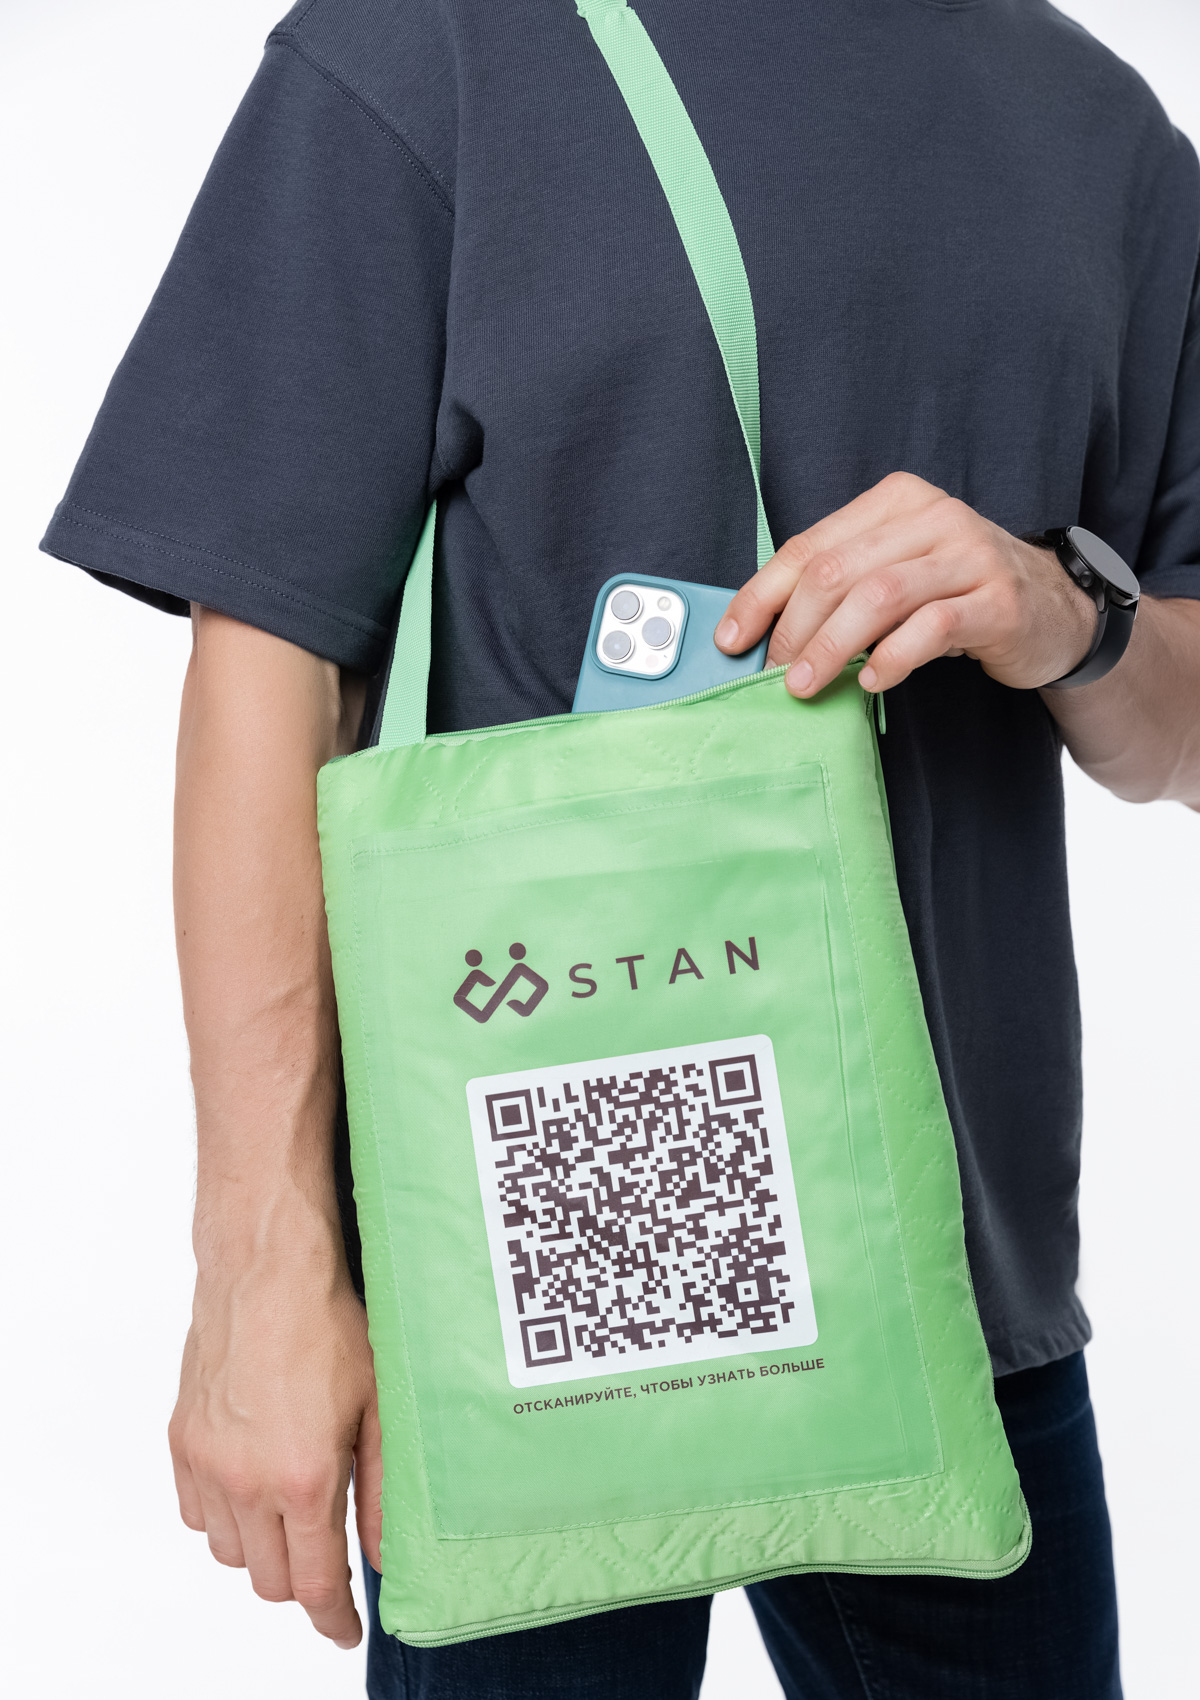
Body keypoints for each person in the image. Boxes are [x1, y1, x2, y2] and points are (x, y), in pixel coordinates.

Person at [41, 1, 1200, 1695]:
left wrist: (1061, 607)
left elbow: (1181, 735)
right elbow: (269, 661)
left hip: (950, 1276)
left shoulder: (1100, 129)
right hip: (529, 1269)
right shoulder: (432, 47)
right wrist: (259, 1271)